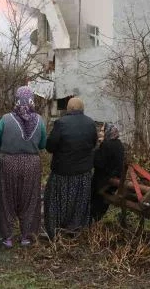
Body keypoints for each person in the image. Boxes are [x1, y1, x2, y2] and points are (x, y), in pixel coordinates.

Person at [0, 86, 46, 248]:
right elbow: (43, 144)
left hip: (7, 163)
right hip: (32, 164)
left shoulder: (5, 119)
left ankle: (7, 237)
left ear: (16, 100)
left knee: (6, 199)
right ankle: (26, 237)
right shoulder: (39, 120)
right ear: (31, 100)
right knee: (30, 200)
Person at [44, 97, 98, 239]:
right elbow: (94, 144)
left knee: (56, 202)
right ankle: (75, 229)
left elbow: (50, 146)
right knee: (80, 203)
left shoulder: (61, 123)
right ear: (82, 108)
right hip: (83, 173)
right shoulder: (91, 123)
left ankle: (56, 230)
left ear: (68, 109)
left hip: (62, 172)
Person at [90, 123, 125, 222]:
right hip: (114, 180)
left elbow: (98, 163)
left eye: (102, 131)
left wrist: (96, 150)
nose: (100, 133)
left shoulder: (107, 145)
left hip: (104, 181)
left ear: (108, 132)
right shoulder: (119, 144)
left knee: (94, 202)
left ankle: (91, 221)